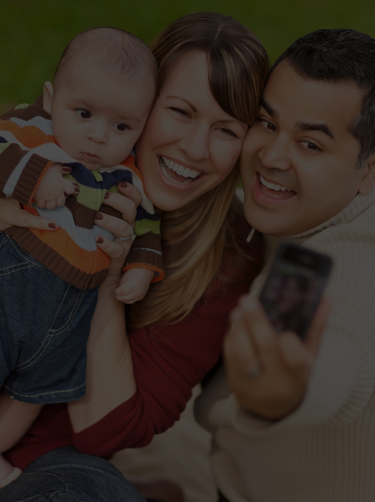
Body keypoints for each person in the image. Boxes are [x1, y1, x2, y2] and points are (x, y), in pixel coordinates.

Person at [0, 12, 269, 502]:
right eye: (181, 111)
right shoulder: (44, 144)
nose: (194, 148)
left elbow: (104, 430)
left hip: (41, 455)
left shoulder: (227, 256)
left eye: (227, 130)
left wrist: (110, 276)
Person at [195, 28, 375, 502]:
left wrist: (285, 392)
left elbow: (340, 336)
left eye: (311, 145)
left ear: (370, 170)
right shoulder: (304, 215)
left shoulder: (346, 259)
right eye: (267, 123)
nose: (271, 157)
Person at [0, 26, 165, 488]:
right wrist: (35, 176)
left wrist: (139, 268)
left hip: (70, 315)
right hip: (12, 285)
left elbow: (148, 225)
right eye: (85, 113)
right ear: (51, 99)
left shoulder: (124, 173)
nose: (97, 137)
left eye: (121, 126)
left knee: (31, 396)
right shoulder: (30, 133)